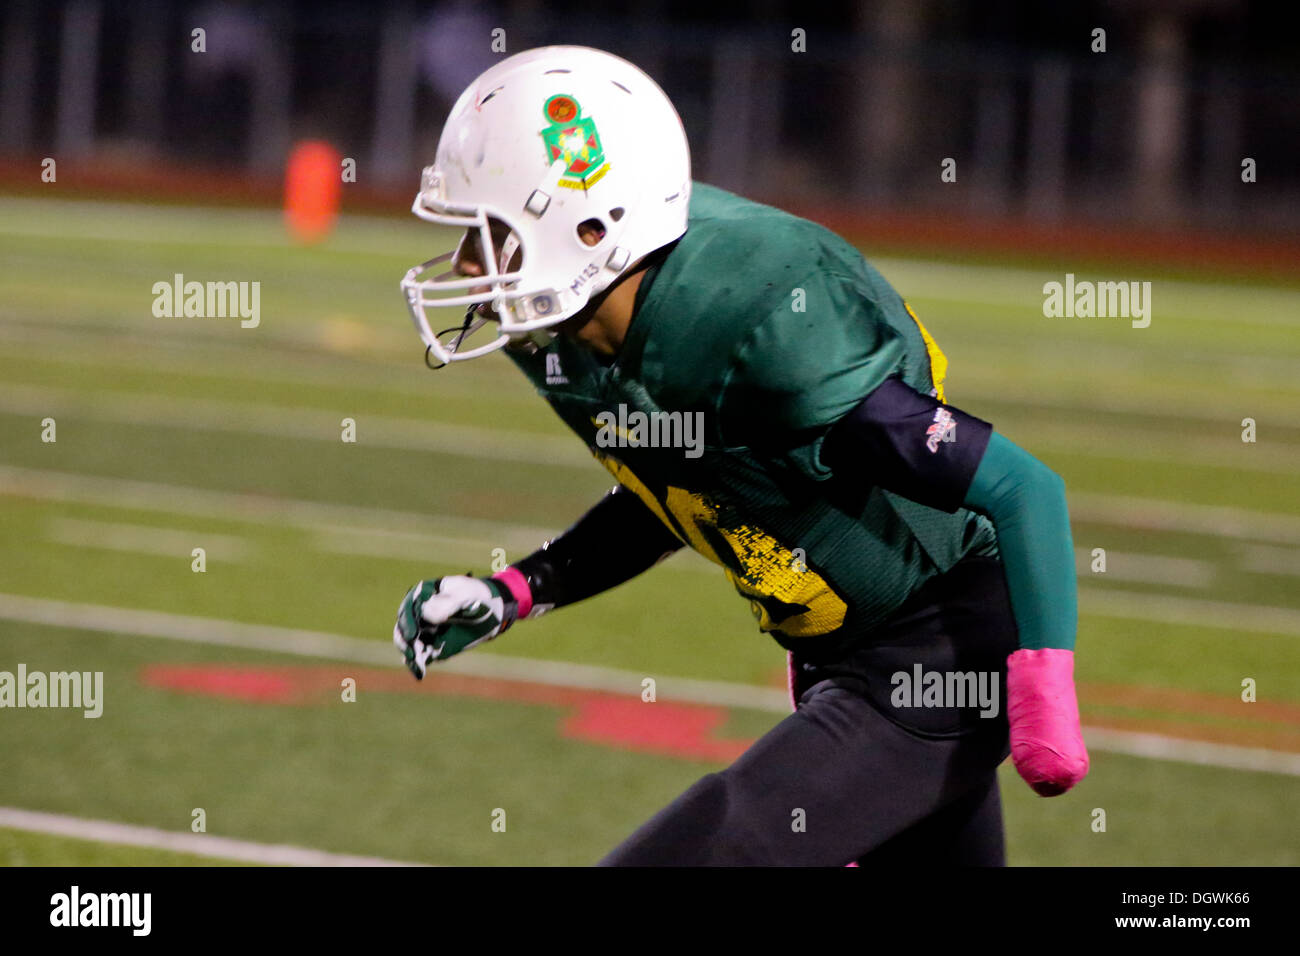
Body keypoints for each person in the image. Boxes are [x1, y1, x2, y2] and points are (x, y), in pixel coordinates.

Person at [392, 45, 1088, 866]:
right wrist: (520, 587)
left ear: (588, 229)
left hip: (938, 655)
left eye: (490, 235)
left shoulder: (758, 322)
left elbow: (1024, 487)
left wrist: (1044, 680)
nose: (469, 266)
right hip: (850, 654)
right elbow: (683, 488)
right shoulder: (575, 331)